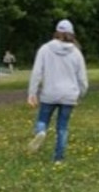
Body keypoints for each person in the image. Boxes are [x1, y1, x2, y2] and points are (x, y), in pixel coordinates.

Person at [27, 20, 88, 163]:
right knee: (62, 127)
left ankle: (41, 131)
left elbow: (37, 72)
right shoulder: (76, 52)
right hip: (69, 94)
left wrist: (32, 93)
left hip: (49, 93)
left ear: (56, 32)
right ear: (72, 34)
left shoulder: (45, 49)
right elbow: (82, 78)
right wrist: (81, 94)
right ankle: (58, 158)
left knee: (42, 119)